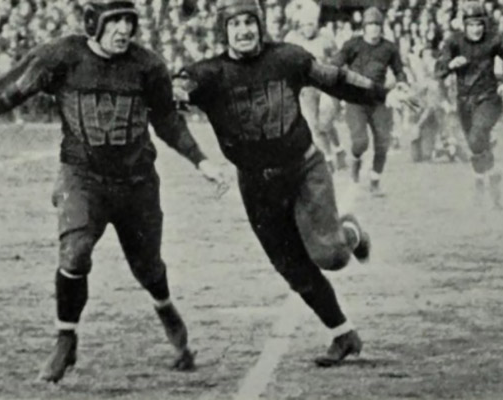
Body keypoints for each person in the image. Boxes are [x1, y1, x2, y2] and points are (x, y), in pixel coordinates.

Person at [0, 0, 227, 383]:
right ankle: (66, 337)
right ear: (93, 22)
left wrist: (201, 161)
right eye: (115, 21)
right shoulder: (60, 56)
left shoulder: (147, 65)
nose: (123, 30)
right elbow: (2, 93)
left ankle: (166, 310)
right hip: (82, 176)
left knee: (147, 267)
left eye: (129, 21)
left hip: (137, 181)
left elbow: (166, 119)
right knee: (75, 251)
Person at [175, 0, 416, 367]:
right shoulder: (209, 73)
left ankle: (348, 232)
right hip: (256, 186)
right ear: (224, 30)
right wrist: (172, 92)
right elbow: (175, 90)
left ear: (261, 24)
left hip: (303, 169)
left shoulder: (286, 57)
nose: (243, 30)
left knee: (330, 256)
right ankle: (344, 334)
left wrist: (383, 94)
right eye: (235, 23)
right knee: (292, 267)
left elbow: (335, 79)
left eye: (249, 22)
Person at [435, 1, 503, 210]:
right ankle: (490, 175)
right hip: (464, 100)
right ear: (464, 25)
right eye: (471, 24)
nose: (476, 29)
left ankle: (482, 179)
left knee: (477, 136)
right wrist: (450, 65)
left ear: (485, 24)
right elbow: (439, 69)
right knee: (475, 145)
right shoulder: (453, 41)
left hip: (489, 97)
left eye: (479, 24)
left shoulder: (495, 40)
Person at [333, 7, 408, 195]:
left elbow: (399, 70)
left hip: (379, 99)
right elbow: (336, 64)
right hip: (355, 100)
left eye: (377, 25)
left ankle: (375, 181)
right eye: (370, 25)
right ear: (364, 27)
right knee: (360, 143)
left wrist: (401, 83)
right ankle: (355, 166)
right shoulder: (352, 45)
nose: (374, 29)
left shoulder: (389, 47)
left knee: (383, 141)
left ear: (381, 27)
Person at [283, 0, 348, 172]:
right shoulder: (292, 38)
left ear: (316, 23)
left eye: (310, 24)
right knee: (313, 125)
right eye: (304, 25)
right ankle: (328, 158)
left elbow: (339, 61)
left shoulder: (326, 37)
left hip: (326, 86)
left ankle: (339, 148)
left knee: (324, 122)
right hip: (306, 89)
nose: (307, 28)